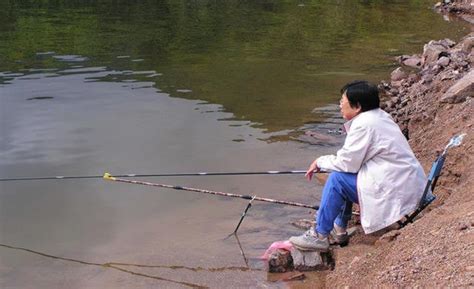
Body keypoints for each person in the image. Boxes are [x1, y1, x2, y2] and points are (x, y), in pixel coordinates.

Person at [289, 80, 427, 251]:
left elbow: (346, 163)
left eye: (342, 101)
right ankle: (339, 227)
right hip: (405, 183)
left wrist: (320, 161)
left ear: (357, 106)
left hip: (396, 188)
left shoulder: (364, 125)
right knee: (342, 176)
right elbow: (352, 160)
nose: (339, 105)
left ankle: (319, 235)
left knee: (337, 180)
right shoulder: (379, 116)